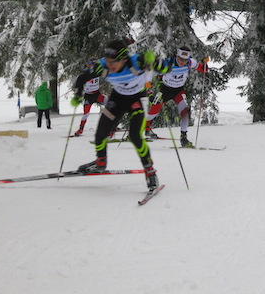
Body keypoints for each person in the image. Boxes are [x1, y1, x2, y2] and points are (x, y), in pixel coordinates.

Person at [72, 39, 170, 192]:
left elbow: (166, 68)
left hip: (137, 98)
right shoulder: (102, 65)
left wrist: (156, 63)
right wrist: (78, 94)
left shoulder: (137, 62)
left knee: (135, 136)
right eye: (108, 62)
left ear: (124, 59)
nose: (110, 66)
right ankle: (100, 163)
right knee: (101, 133)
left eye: (114, 63)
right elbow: (82, 78)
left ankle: (150, 172)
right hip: (117, 98)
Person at [144, 46, 209, 147]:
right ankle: (143, 129)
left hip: (178, 90)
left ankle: (184, 138)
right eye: (180, 59)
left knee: (184, 112)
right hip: (165, 90)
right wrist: (148, 88)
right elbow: (150, 72)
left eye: (185, 60)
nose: (182, 62)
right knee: (154, 110)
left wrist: (205, 65)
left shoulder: (190, 62)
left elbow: (202, 69)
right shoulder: (168, 63)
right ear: (176, 56)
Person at [72, 58, 109, 136]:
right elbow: (79, 86)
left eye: (95, 65)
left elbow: (105, 74)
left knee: (109, 103)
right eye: (91, 65)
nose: (93, 67)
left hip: (97, 94)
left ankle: (112, 125)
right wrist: (77, 95)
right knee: (86, 113)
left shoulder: (98, 71)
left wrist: (106, 67)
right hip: (88, 96)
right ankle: (81, 129)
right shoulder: (84, 75)